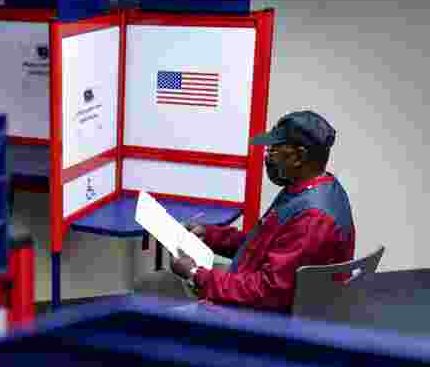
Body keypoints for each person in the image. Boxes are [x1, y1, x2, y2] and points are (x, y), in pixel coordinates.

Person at [133, 110, 355, 314]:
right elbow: (264, 244)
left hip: (261, 317)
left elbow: (269, 291)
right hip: (262, 291)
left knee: (152, 291)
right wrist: (210, 235)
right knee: (154, 283)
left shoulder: (313, 218)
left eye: (275, 149)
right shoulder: (312, 188)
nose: (268, 156)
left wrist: (195, 275)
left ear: (299, 156)